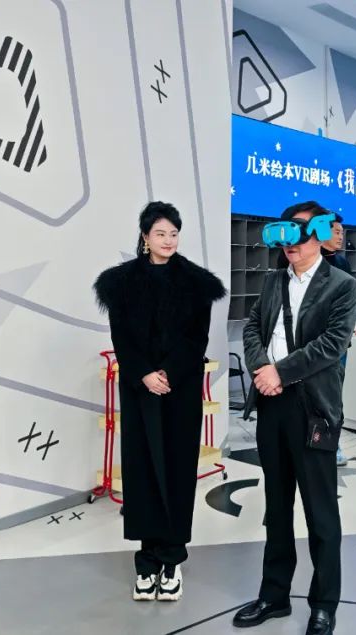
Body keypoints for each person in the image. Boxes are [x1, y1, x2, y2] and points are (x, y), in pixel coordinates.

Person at [93, 201, 226, 602]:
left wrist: (167, 373)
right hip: (140, 391)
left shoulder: (197, 283)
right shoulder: (120, 283)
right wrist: (144, 374)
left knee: (178, 471)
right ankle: (147, 560)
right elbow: (121, 337)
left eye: (173, 233)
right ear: (145, 237)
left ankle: (172, 559)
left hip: (179, 390)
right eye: (160, 234)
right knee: (143, 473)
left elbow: (197, 339)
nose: (168, 240)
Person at [236, 201, 356, 635]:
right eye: (285, 234)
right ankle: (274, 595)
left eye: (300, 233)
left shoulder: (342, 285)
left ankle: (324, 603)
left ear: (321, 234)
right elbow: (253, 327)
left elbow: (332, 344)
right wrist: (260, 369)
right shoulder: (274, 281)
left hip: (313, 409)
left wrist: (280, 372)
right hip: (272, 404)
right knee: (276, 507)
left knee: (320, 512)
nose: (291, 244)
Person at [321, 214, 352, 467]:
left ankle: (333, 443)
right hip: (311, 341)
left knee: (334, 393)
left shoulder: (342, 263)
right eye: (336, 231)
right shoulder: (309, 261)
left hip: (337, 344)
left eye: (342, 232)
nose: (340, 236)